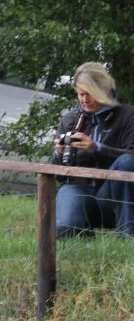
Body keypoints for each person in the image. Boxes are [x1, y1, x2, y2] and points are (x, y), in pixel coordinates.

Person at [52, 62, 134, 237]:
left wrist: (96, 148)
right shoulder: (71, 119)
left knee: (127, 161)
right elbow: (59, 176)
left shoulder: (128, 115)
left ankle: (127, 235)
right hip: (78, 190)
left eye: (89, 94)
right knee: (65, 231)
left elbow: (131, 158)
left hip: (113, 195)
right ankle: (84, 236)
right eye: (80, 94)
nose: (84, 100)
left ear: (104, 89)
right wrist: (58, 154)